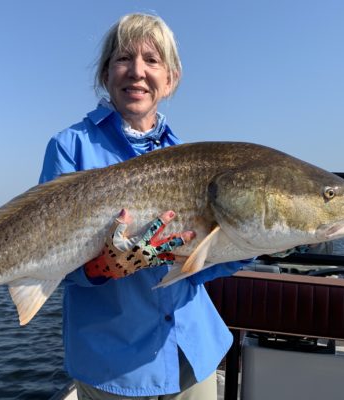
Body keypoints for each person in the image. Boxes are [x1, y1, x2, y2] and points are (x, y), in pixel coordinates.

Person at [39, 13, 244, 399]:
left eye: (152, 60)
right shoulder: (70, 147)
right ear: (105, 74)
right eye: (123, 59)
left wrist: (254, 240)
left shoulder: (185, 154)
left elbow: (197, 266)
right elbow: (49, 257)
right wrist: (101, 268)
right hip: (114, 366)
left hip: (194, 352)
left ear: (170, 80)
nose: (137, 72)